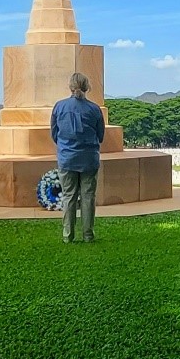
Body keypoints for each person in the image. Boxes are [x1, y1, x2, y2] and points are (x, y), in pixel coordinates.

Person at [51, 72, 106, 243]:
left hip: (67, 158)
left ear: (70, 87)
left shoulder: (59, 107)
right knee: (88, 196)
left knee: (69, 196)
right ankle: (88, 234)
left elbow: (54, 134)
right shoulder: (94, 109)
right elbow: (101, 135)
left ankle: (68, 235)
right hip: (89, 158)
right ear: (87, 87)